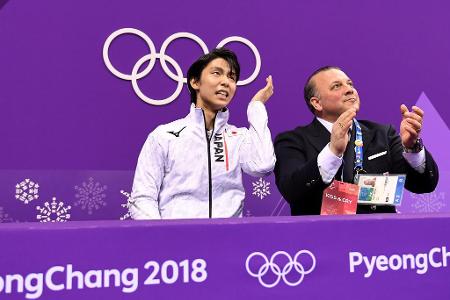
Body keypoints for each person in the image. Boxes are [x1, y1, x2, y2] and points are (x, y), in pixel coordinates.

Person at [130, 48, 276, 219]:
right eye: (217, 73)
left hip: (228, 240)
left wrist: (256, 107)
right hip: (177, 240)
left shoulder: (239, 137)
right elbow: (142, 198)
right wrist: (162, 238)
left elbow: (263, 165)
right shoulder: (164, 136)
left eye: (232, 77)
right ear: (195, 82)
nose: (225, 82)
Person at [274, 66, 439, 215]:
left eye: (350, 84)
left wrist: (411, 148)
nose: (349, 90)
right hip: (322, 241)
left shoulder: (383, 134)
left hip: (381, 242)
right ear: (317, 103)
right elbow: (292, 191)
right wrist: (333, 152)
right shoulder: (292, 141)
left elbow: (424, 185)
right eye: (337, 86)